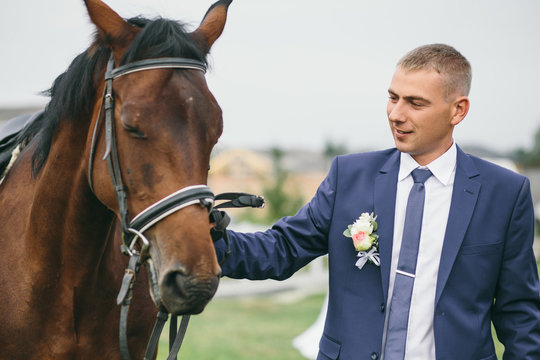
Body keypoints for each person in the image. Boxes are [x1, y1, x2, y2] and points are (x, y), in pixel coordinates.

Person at [213, 43, 540, 359]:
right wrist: (207, 238)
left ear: (458, 110)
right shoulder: (349, 176)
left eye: (415, 102)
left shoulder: (505, 194)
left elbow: (520, 314)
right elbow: (281, 249)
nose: (396, 114)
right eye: (392, 98)